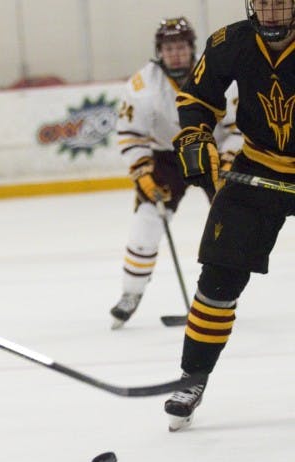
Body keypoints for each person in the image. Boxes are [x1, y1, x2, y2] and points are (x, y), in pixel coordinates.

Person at [163, 0, 295, 431]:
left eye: (282, 7)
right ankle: (193, 376)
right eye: (265, 7)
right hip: (256, 166)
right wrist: (195, 135)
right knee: (217, 280)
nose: (272, 17)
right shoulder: (231, 42)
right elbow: (198, 97)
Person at [110, 16, 243, 328]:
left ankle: (222, 294)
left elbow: (239, 127)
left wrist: (228, 159)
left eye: (181, 47)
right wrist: (143, 173)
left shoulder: (218, 73)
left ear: (191, 48)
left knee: (230, 224)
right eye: (169, 48)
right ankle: (131, 294)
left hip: (212, 151)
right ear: (160, 51)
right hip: (166, 158)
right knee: (147, 220)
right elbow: (131, 134)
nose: (176, 54)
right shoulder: (142, 85)